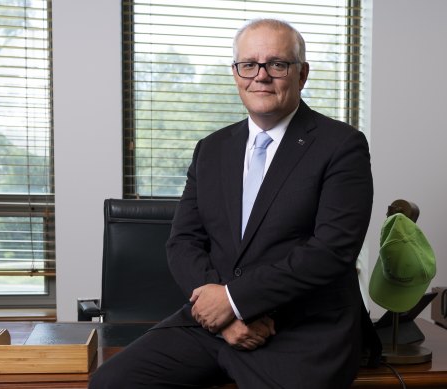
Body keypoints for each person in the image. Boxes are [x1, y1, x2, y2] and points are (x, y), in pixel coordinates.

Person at [90, 18, 376, 388]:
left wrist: (234, 301)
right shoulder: (212, 149)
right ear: (236, 73)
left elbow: (331, 251)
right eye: (249, 65)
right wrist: (222, 315)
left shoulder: (342, 145)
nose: (261, 76)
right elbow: (183, 241)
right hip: (212, 326)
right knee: (111, 383)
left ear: (301, 74)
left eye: (277, 64)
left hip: (300, 331)